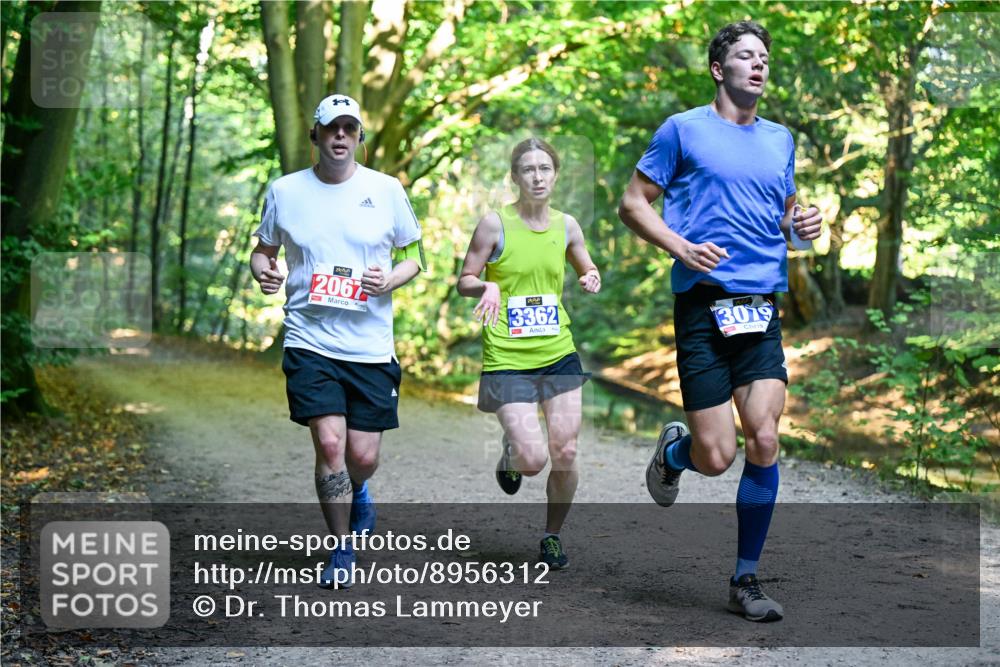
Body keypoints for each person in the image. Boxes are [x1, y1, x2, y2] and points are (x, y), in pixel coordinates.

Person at [617, 21, 823, 621]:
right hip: (703, 309)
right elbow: (633, 204)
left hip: (759, 307)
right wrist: (678, 247)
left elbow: (783, 218)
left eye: (764, 56)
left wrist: (802, 230)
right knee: (717, 456)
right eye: (744, 56)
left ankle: (745, 578)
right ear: (719, 68)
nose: (758, 65)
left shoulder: (780, 138)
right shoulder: (682, 131)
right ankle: (675, 455)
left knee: (763, 437)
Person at [250, 94, 424, 589]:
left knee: (362, 458)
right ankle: (341, 545)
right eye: (332, 128)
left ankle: (359, 491)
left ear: (360, 138)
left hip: (370, 345)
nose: (341, 136)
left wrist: (391, 279)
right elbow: (262, 251)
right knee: (330, 443)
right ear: (316, 136)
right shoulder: (285, 191)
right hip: (309, 339)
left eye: (350, 128)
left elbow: (414, 254)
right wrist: (265, 272)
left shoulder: (387, 190)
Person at [457, 138, 601, 569]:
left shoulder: (567, 226)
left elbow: (586, 265)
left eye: (545, 168)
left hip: (558, 351)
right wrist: (486, 285)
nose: (537, 177)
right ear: (515, 177)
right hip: (507, 356)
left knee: (567, 450)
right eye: (527, 169)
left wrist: (590, 277)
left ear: (555, 175)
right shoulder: (494, 224)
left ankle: (551, 535)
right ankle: (512, 454)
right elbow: (464, 278)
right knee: (534, 459)